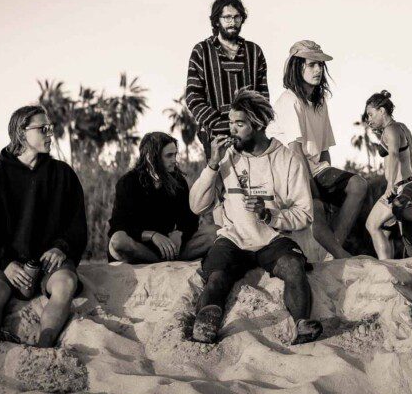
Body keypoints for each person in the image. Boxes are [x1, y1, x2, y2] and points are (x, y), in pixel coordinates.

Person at [189, 90, 322, 345]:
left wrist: (268, 214)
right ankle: (203, 327)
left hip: (272, 239)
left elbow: (304, 214)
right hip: (233, 238)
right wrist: (212, 165)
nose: (232, 130)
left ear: (259, 124)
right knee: (216, 276)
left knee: (294, 268)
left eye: (239, 124)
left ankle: (301, 324)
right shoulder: (226, 157)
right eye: (230, 124)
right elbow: (196, 206)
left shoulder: (287, 159)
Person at [0, 105, 87, 347]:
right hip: (7, 263)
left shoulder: (63, 174)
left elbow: (77, 224)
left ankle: (44, 345)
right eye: (43, 129)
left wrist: (61, 247)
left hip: (50, 263)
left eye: (51, 128)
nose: (50, 134)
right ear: (22, 133)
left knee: (66, 285)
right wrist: (6, 264)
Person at [269, 40, 367, 259]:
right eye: (312, 64)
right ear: (297, 67)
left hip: (313, 167)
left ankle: (333, 252)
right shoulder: (289, 100)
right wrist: (312, 189)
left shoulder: (320, 101)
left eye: (321, 65)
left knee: (358, 185)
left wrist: (327, 186)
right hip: (287, 171)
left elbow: (323, 151)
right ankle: (338, 253)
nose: (318, 70)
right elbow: (295, 151)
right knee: (317, 206)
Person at [108, 132, 216, 263]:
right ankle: (161, 261)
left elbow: (190, 219)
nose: (174, 160)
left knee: (216, 232)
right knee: (118, 241)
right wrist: (152, 235)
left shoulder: (178, 181)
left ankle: (166, 258)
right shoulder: (128, 182)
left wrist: (180, 233)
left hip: (170, 246)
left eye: (175, 154)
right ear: (150, 157)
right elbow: (118, 226)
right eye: (169, 155)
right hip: (140, 246)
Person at [185, 0, 269, 161]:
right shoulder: (202, 51)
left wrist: (255, 125)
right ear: (217, 21)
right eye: (227, 17)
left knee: (256, 184)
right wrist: (218, 124)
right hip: (217, 136)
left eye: (237, 17)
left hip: (250, 135)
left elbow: (263, 95)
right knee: (223, 184)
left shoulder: (254, 52)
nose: (232, 21)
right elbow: (193, 96)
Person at [362, 90, 412, 259]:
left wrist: (390, 185)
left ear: (382, 111)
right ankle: (390, 267)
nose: (369, 120)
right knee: (385, 231)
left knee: (371, 225)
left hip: (398, 188)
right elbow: (409, 157)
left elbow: (393, 155)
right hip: (410, 184)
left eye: (371, 115)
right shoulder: (401, 127)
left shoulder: (390, 130)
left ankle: (387, 268)